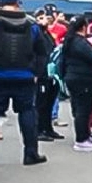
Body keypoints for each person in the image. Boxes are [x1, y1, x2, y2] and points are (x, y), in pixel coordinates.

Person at [0, 0, 49, 166]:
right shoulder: (31, 24)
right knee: (27, 113)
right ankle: (31, 154)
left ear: (0, 3)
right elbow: (42, 52)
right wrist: (36, 73)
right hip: (25, 77)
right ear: (17, 3)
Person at [62, 15, 92, 153]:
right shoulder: (78, 42)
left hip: (77, 78)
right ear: (83, 27)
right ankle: (81, 140)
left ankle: (85, 135)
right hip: (81, 79)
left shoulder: (72, 41)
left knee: (83, 109)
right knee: (82, 110)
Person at [33, 8, 64, 142]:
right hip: (40, 73)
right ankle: (39, 130)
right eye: (40, 18)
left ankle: (48, 128)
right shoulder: (35, 33)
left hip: (51, 72)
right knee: (41, 103)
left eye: (44, 17)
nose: (44, 19)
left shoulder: (47, 34)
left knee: (49, 102)